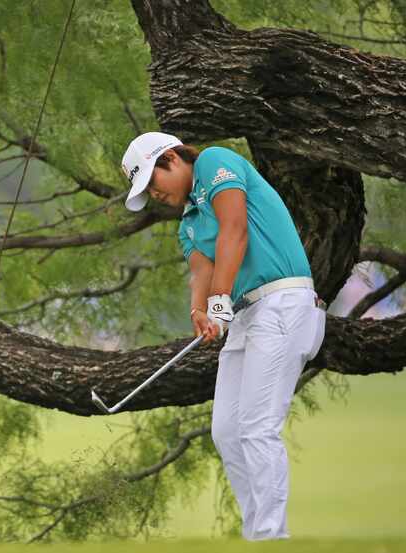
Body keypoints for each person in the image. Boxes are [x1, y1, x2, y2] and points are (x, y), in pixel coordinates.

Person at [121, 132, 326, 541]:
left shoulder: (214, 163)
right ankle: (257, 534)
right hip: (248, 313)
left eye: (151, 183)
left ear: (171, 160)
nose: (154, 195)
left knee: (256, 427)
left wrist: (219, 300)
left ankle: (271, 536)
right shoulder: (189, 222)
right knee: (227, 431)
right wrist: (201, 310)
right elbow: (202, 269)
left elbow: (235, 230)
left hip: (282, 302)